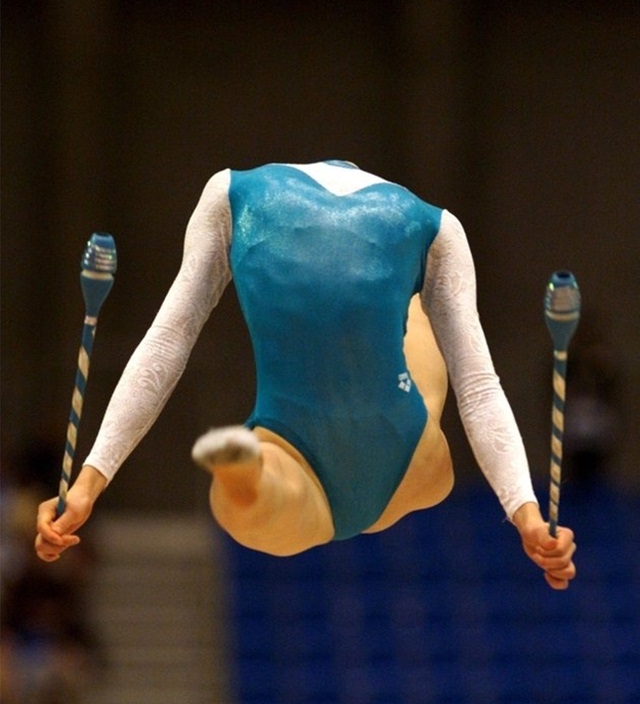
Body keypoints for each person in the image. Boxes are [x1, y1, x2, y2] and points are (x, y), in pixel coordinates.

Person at [36, 160, 576, 588]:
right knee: (425, 345)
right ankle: (247, 474)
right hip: (406, 457)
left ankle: (244, 476)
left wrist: (90, 482)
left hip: (290, 448)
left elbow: (167, 342)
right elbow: (478, 386)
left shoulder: (233, 195)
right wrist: (525, 514)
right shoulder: (431, 225)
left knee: (260, 509)